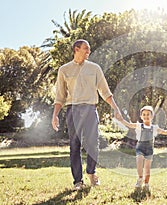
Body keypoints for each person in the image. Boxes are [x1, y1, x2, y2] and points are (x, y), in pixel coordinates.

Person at [51, 39, 122, 190]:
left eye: (89, 49)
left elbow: (105, 91)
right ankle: (78, 181)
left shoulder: (95, 68)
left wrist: (115, 108)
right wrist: (55, 115)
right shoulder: (64, 70)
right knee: (74, 145)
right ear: (76, 49)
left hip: (90, 109)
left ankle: (91, 172)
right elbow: (60, 96)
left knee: (93, 143)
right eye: (85, 49)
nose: (88, 52)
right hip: (73, 110)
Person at [119, 105, 167, 190]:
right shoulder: (139, 126)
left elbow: (164, 132)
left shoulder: (154, 128)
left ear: (152, 116)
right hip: (140, 148)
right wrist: (121, 120)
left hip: (149, 150)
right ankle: (140, 179)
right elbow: (129, 125)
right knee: (139, 162)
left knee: (147, 168)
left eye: (148, 114)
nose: (146, 116)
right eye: (144, 114)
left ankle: (146, 183)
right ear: (141, 116)